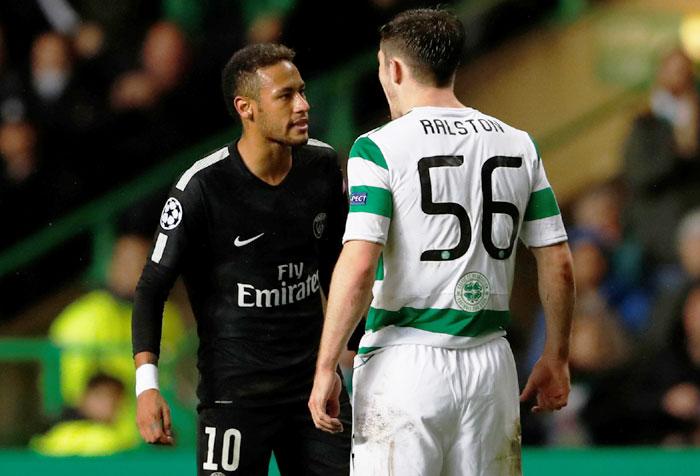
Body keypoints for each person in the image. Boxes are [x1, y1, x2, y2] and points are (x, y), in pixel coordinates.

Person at [308, 8, 575, 475]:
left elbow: (360, 260)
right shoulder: (518, 144)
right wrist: (556, 354)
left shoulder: (378, 148)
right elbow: (558, 261)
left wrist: (327, 364)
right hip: (492, 364)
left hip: (404, 364)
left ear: (393, 69)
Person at [131, 43, 351, 475]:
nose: (303, 105)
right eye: (285, 96)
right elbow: (151, 289)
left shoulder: (322, 165)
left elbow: (336, 266)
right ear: (246, 108)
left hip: (313, 392)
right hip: (233, 398)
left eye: (302, 91)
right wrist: (146, 387)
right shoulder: (202, 188)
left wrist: (359, 349)